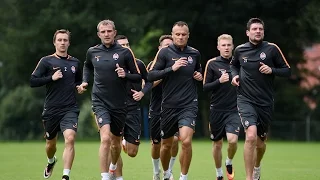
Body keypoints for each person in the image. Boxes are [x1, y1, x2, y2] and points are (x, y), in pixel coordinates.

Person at [77, 19, 141, 180]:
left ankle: (113, 167)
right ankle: (105, 176)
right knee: (106, 138)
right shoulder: (92, 52)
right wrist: (85, 81)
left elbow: (138, 76)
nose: (106, 34)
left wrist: (125, 75)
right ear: (99, 34)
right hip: (100, 101)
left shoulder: (125, 53)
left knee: (116, 144)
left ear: (114, 32)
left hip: (120, 104)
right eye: (103, 32)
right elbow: (87, 66)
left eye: (109, 31)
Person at [230, 18, 291, 180]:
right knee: (250, 136)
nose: (258, 31)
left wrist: (271, 70)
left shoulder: (272, 49)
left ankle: (257, 166)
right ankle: (249, 177)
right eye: (255, 29)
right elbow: (233, 65)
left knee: (261, 143)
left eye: (260, 29)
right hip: (245, 99)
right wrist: (235, 76)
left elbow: (287, 71)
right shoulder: (240, 50)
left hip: (265, 102)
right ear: (248, 32)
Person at [148, 21, 203, 180]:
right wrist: (172, 68)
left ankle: (183, 177)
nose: (180, 37)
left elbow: (198, 70)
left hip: (188, 104)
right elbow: (151, 75)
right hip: (168, 106)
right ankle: (166, 174)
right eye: (177, 34)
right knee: (165, 145)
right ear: (172, 35)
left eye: (183, 34)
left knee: (185, 141)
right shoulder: (164, 53)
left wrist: (198, 75)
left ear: (188, 35)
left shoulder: (194, 53)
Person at [30, 29, 82, 180]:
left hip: (70, 108)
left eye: (65, 40)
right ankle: (51, 161)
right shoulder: (46, 61)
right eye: (59, 40)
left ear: (69, 43)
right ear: (54, 42)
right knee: (50, 145)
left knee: (70, 138)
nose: (62, 43)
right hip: (51, 109)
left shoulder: (75, 62)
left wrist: (80, 87)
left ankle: (65, 176)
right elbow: (33, 81)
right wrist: (51, 78)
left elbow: (78, 82)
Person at [106, 34, 152, 180]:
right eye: (122, 45)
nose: (125, 48)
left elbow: (149, 81)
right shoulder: (109, 64)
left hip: (133, 109)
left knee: (132, 152)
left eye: (127, 45)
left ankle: (126, 142)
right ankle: (117, 176)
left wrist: (142, 93)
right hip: (115, 109)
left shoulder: (138, 64)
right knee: (114, 144)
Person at [203, 34, 240, 180]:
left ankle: (229, 161)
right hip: (216, 109)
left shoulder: (239, 63)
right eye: (223, 45)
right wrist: (219, 81)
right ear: (218, 47)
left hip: (234, 109)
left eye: (229, 45)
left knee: (232, 140)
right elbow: (205, 87)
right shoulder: (212, 63)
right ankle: (219, 173)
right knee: (217, 144)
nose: (226, 48)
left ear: (232, 46)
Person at [146, 35, 180, 180]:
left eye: (170, 46)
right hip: (157, 109)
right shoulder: (152, 66)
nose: (168, 48)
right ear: (159, 49)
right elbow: (148, 84)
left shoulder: (179, 64)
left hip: (175, 109)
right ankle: (156, 171)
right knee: (156, 144)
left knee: (175, 140)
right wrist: (167, 72)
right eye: (165, 46)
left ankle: (169, 171)